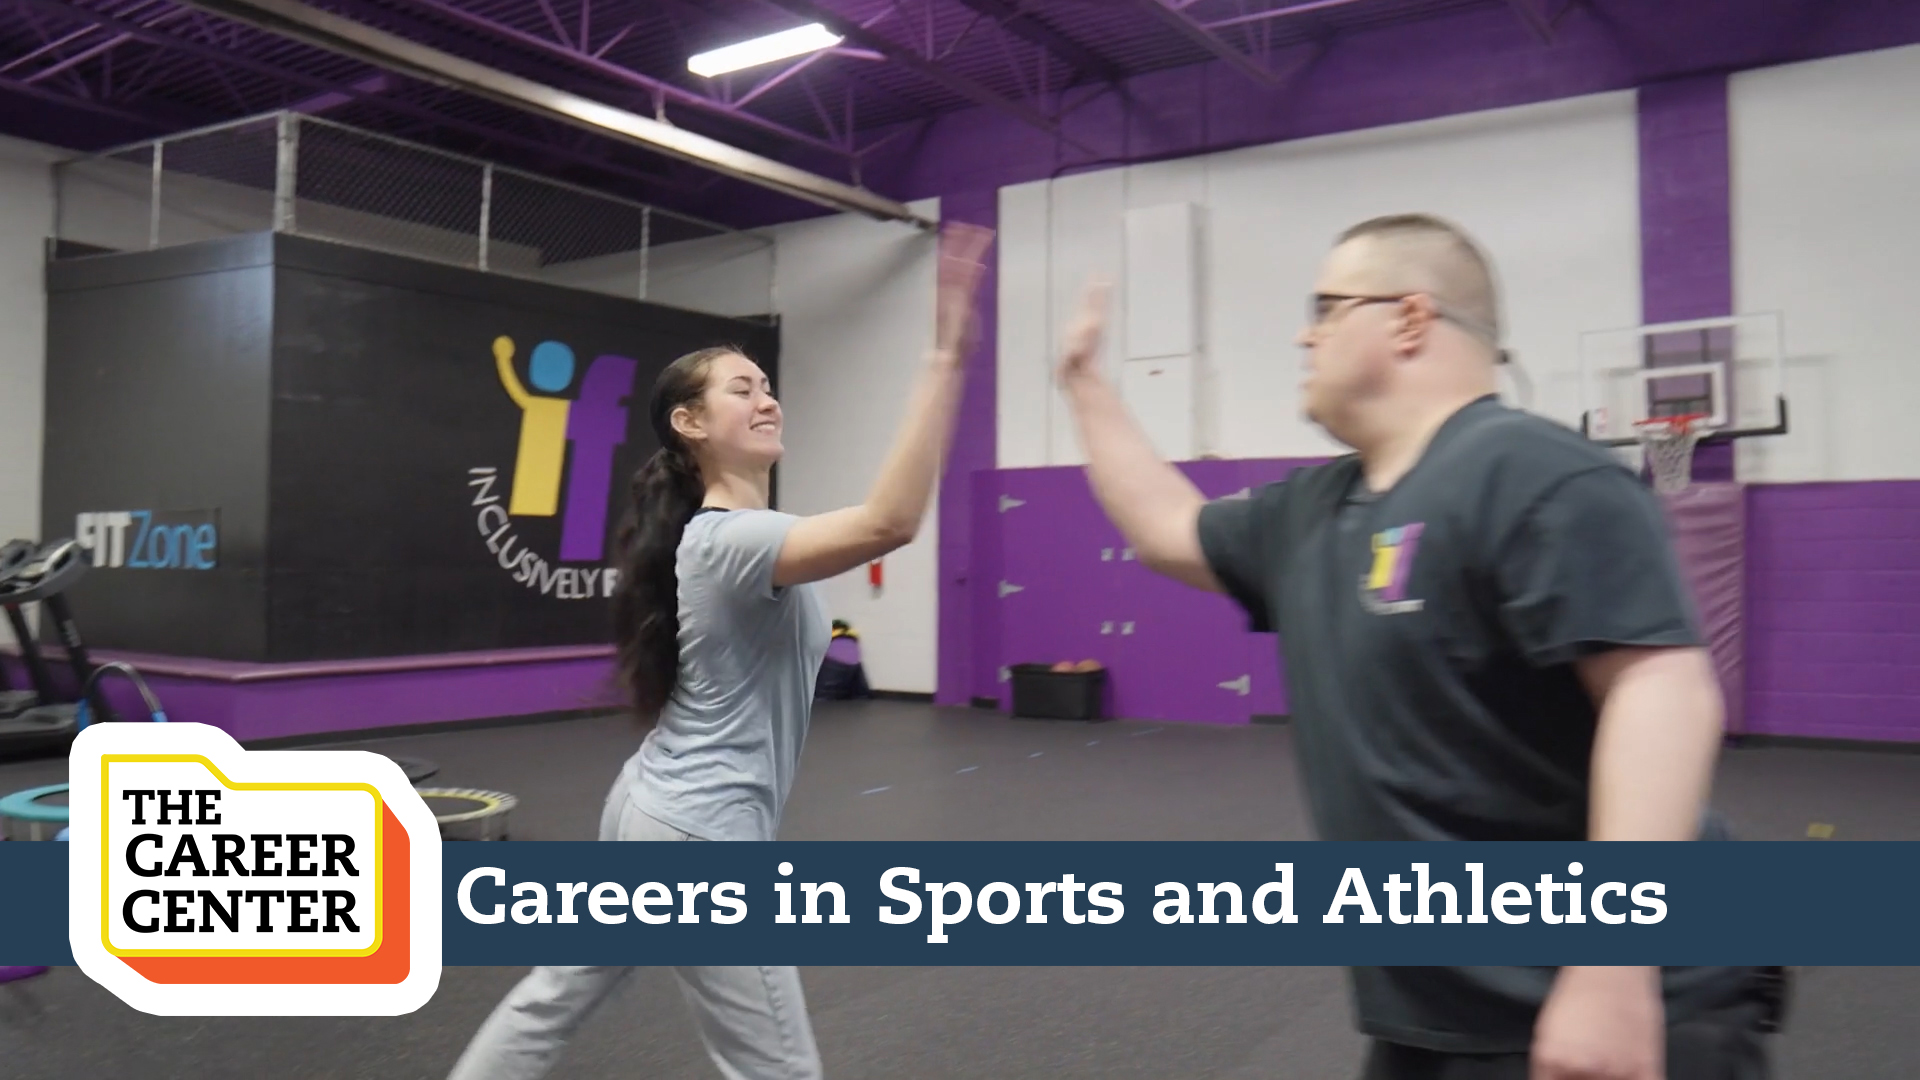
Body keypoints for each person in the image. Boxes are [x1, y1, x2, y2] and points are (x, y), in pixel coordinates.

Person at [1051, 213, 1783, 1080]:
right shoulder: (1310, 512)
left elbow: (1661, 689)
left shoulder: (1533, 471)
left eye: (1325, 307)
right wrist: (1083, 386)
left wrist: (1611, 968)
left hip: (1637, 1001)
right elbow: (1167, 528)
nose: (1302, 332)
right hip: (1442, 1018)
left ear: (1408, 319)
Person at [446, 221, 993, 1080]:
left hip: (653, 811)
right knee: (777, 1067)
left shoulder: (734, 536)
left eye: (768, 385)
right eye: (744, 390)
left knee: (552, 999)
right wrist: (942, 362)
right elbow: (892, 522)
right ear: (691, 422)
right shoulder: (732, 539)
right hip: (702, 840)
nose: (767, 398)